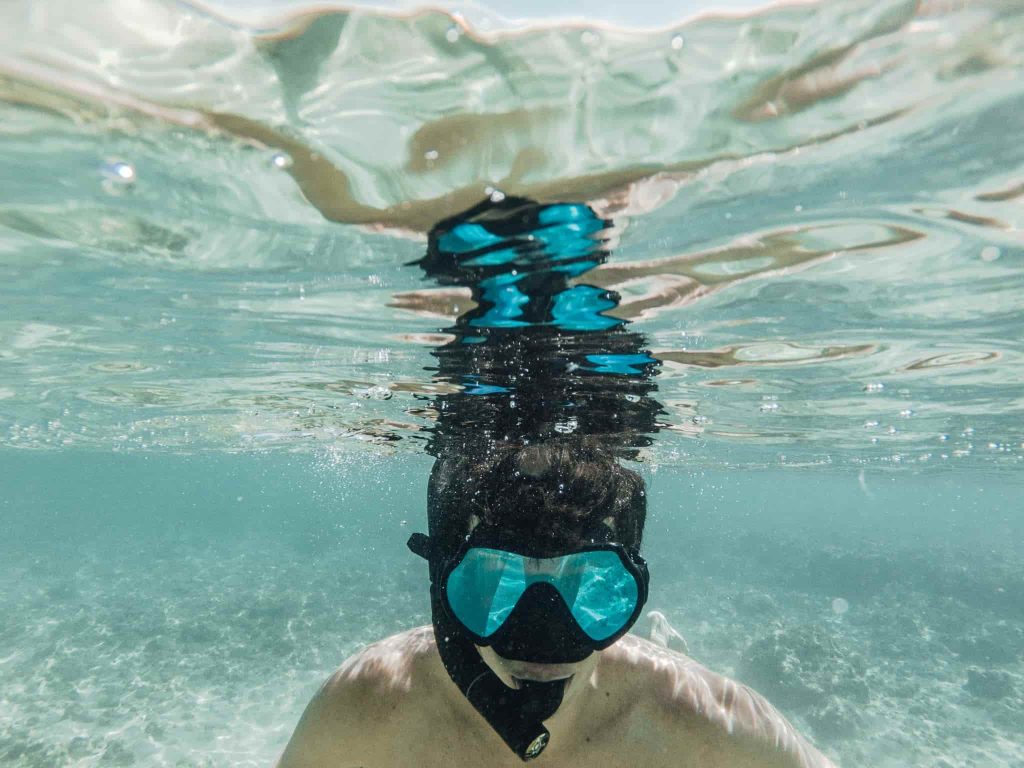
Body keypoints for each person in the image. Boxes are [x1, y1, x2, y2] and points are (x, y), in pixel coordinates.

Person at [277, 199, 837, 767]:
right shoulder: (365, 711)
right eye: (493, 581)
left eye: (590, 589)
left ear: (630, 584)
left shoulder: (696, 718)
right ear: (445, 575)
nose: (543, 637)